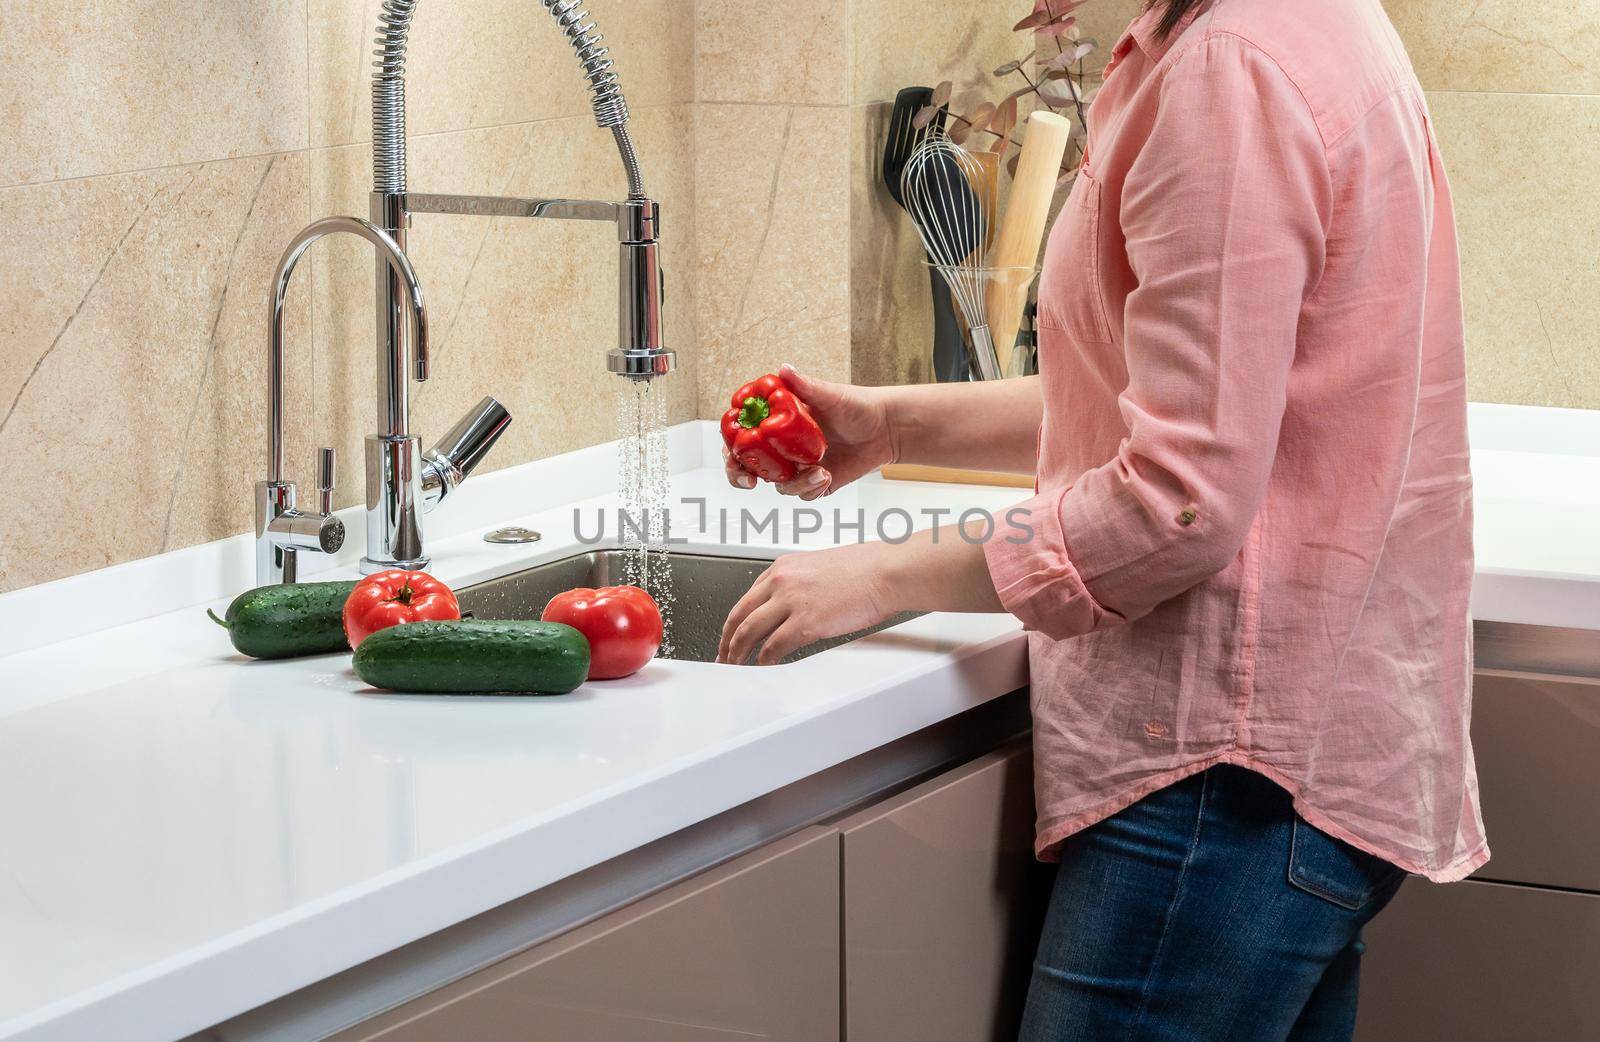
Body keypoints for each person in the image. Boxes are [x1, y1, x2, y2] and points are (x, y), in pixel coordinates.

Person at [716, 0, 1486, 1038]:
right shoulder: (1288, 27)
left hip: (1216, 781)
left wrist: (880, 576)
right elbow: (1176, 394)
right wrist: (890, 424)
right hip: (1292, 773)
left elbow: (1175, 503)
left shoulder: (1229, 71)